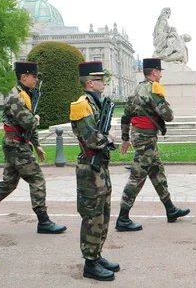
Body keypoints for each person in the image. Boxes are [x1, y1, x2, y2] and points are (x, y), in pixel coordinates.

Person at [0, 61, 66, 234]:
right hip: (17, 146)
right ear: (24, 76)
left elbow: (28, 127)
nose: (36, 80)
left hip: (16, 144)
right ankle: (43, 221)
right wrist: (36, 118)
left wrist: (36, 145)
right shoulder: (16, 97)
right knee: (37, 180)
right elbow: (29, 122)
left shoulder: (24, 95)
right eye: (34, 76)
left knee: (8, 184)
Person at [116, 58, 190, 232]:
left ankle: (170, 209)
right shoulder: (153, 89)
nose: (161, 75)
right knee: (137, 176)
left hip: (140, 136)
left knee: (157, 172)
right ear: (155, 72)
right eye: (160, 71)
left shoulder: (136, 89)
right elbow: (168, 115)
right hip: (145, 138)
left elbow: (126, 117)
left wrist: (125, 138)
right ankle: (122, 217)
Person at [70, 61, 119, 281]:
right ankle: (90, 262)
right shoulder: (81, 106)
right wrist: (109, 138)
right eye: (100, 79)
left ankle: (97, 254)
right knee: (92, 215)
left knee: (104, 212)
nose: (104, 82)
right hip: (90, 168)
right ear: (90, 82)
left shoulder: (97, 103)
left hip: (100, 166)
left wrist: (107, 139)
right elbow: (92, 139)